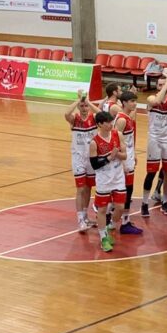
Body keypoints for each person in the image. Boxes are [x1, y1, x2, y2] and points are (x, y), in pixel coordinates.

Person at [141, 69, 167, 217]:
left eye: (163, 84)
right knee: (151, 172)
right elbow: (157, 101)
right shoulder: (151, 98)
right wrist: (166, 84)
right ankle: (144, 203)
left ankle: (165, 201)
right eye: (159, 85)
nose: (161, 87)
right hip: (154, 138)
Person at [89, 111, 127, 252]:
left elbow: (124, 155)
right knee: (102, 209)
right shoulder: (94, 142)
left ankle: (111, 224)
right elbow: (94, 165)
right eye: (107, 122)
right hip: (104, 179)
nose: (111, 124)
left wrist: (117, 155)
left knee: (120, 207)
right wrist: (109, 158)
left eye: (111, 122)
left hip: (118, 177)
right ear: (99, 124)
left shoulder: (118, 135)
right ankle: (103, 238)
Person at [64, 89, 100, 232]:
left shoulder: (94, 118)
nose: (84, 108)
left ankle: (85, 216)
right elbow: (66, 113)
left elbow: (103, 114)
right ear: (78, 107)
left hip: (91, 158)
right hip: (78, 158)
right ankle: (80, 220)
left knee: (89, 187)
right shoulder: (74, 119)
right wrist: (79, 100)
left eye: (86, 106)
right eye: (82, 106)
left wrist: (89, 102)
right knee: (80, 188)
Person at [113, 90, 143, 235]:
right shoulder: (122, 120)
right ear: (124, 103)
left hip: (129, 157)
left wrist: (133, 153)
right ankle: (121, 222)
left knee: (128, 190)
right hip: (123, 161)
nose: (134, 104)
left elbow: (128, 140)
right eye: (132, 101)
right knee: (125, 190)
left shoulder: (127, 117)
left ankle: (123, 220)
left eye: (135, 101)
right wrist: (123, 162)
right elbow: (115, 141)